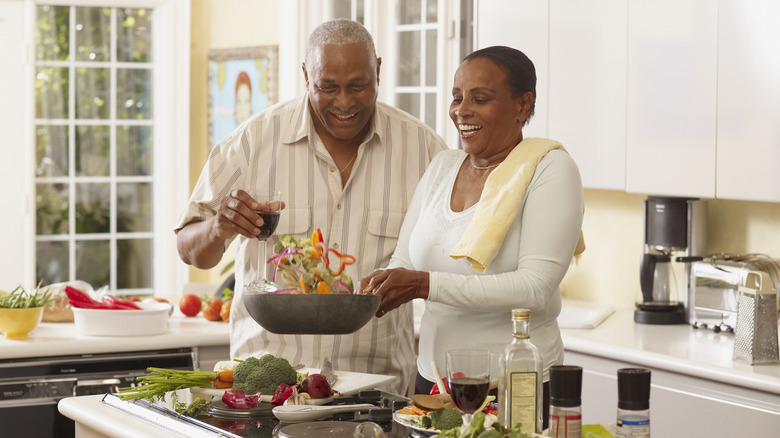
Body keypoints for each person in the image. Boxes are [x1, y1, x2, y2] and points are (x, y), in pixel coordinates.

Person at [174, 18, 447, 397]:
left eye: (359, 86)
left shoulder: (426, 151)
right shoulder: (253, 142)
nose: (345, 103)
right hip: (267, 393)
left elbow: (455, 264)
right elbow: (189, 250)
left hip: (376, 391)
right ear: (306, 75)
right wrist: (218, 227)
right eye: (327, 87)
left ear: (378, 70)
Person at [358, 46, 585, 427]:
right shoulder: (443, 166)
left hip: (511, 385)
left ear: (522, 105)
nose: (461, 110)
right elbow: (407, 260)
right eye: (457, 97)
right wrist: (383, 286)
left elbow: (534, 288)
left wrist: (423, 285)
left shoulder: (550, 170)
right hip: (433, 382)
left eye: (480, 99)